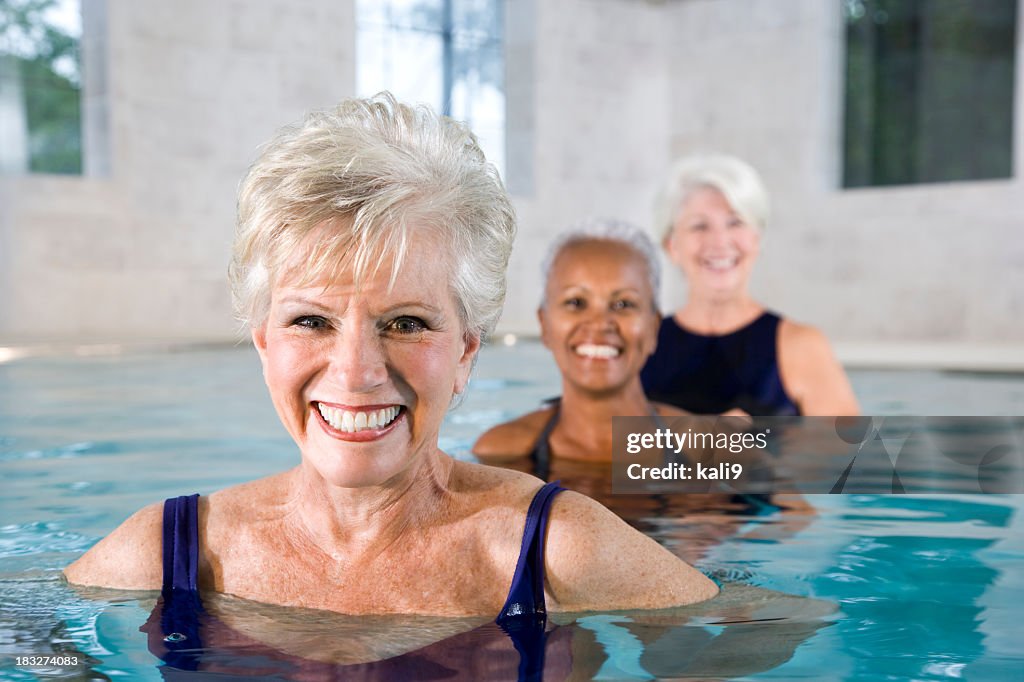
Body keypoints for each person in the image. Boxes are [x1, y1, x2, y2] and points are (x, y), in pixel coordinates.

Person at [63, 95, 717, 631]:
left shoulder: (618, 501)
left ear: (468, 348)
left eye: (405, 322)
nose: (355, 371)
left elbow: (803, 509)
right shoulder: (512, 442)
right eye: (310, 320)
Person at [641, 154, 860, 416]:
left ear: (756, 238)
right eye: (699, 226)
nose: (720, 242)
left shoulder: (802, 347)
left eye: (736, 223)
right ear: (672, 246)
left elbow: (849, 455)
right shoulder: (642, 345)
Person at [473, 219, 687, 480]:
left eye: (623, 304)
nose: (599, 324)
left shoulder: (709, 453)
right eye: (576, 302)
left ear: (654, 328)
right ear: (545, 325)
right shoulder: (501, 454)